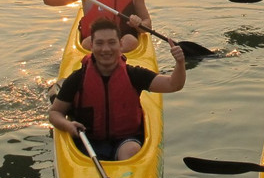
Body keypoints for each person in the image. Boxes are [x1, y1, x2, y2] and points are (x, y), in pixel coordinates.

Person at [49, 18, 185, 161]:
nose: (106, 49)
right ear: (91, 46)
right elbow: (55, 113)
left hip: (126, 141)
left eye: (112, 43)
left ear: (120, 45)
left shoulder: (134, 75)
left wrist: (180, 63)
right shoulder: (77, 79)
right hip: (88, 142)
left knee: (131, 150)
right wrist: (68, 125)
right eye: (99, 43)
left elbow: (173, 85)